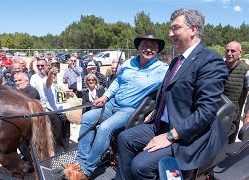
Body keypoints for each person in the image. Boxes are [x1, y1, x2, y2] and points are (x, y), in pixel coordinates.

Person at [115, 9, 229, 180]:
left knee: (141, 166)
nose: (170, 34)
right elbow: (170, 92)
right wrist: (157, 111)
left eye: (176, 28)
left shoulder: (210, 61)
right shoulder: (177, 61)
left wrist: (170, 136)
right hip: (164, 123)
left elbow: (206, 111)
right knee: (124, 138)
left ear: (193, 29)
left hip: (190, 134)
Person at [62, 30, 169, 180]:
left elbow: (169, 90)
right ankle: (80, 163)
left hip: (129, 110)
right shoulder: (129, 62)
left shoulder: (162, 69)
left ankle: (86, 171)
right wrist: (105, 96)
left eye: (153, 46)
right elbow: (118, 82)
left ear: (157, 50)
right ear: (138, 47)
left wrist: (155, 111)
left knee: (105, 128)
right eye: (145, 44)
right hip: (112, 104)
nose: (149, 49)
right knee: (86, 117)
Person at [223, 41, 249, 142]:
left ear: (240, 53)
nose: (229, 53)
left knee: (228, 148)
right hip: (214, 115)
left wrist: (247, 116)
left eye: (233, 51)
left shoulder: (245, 70)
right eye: (227, 50)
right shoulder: (218, 67)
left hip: (232, 119)